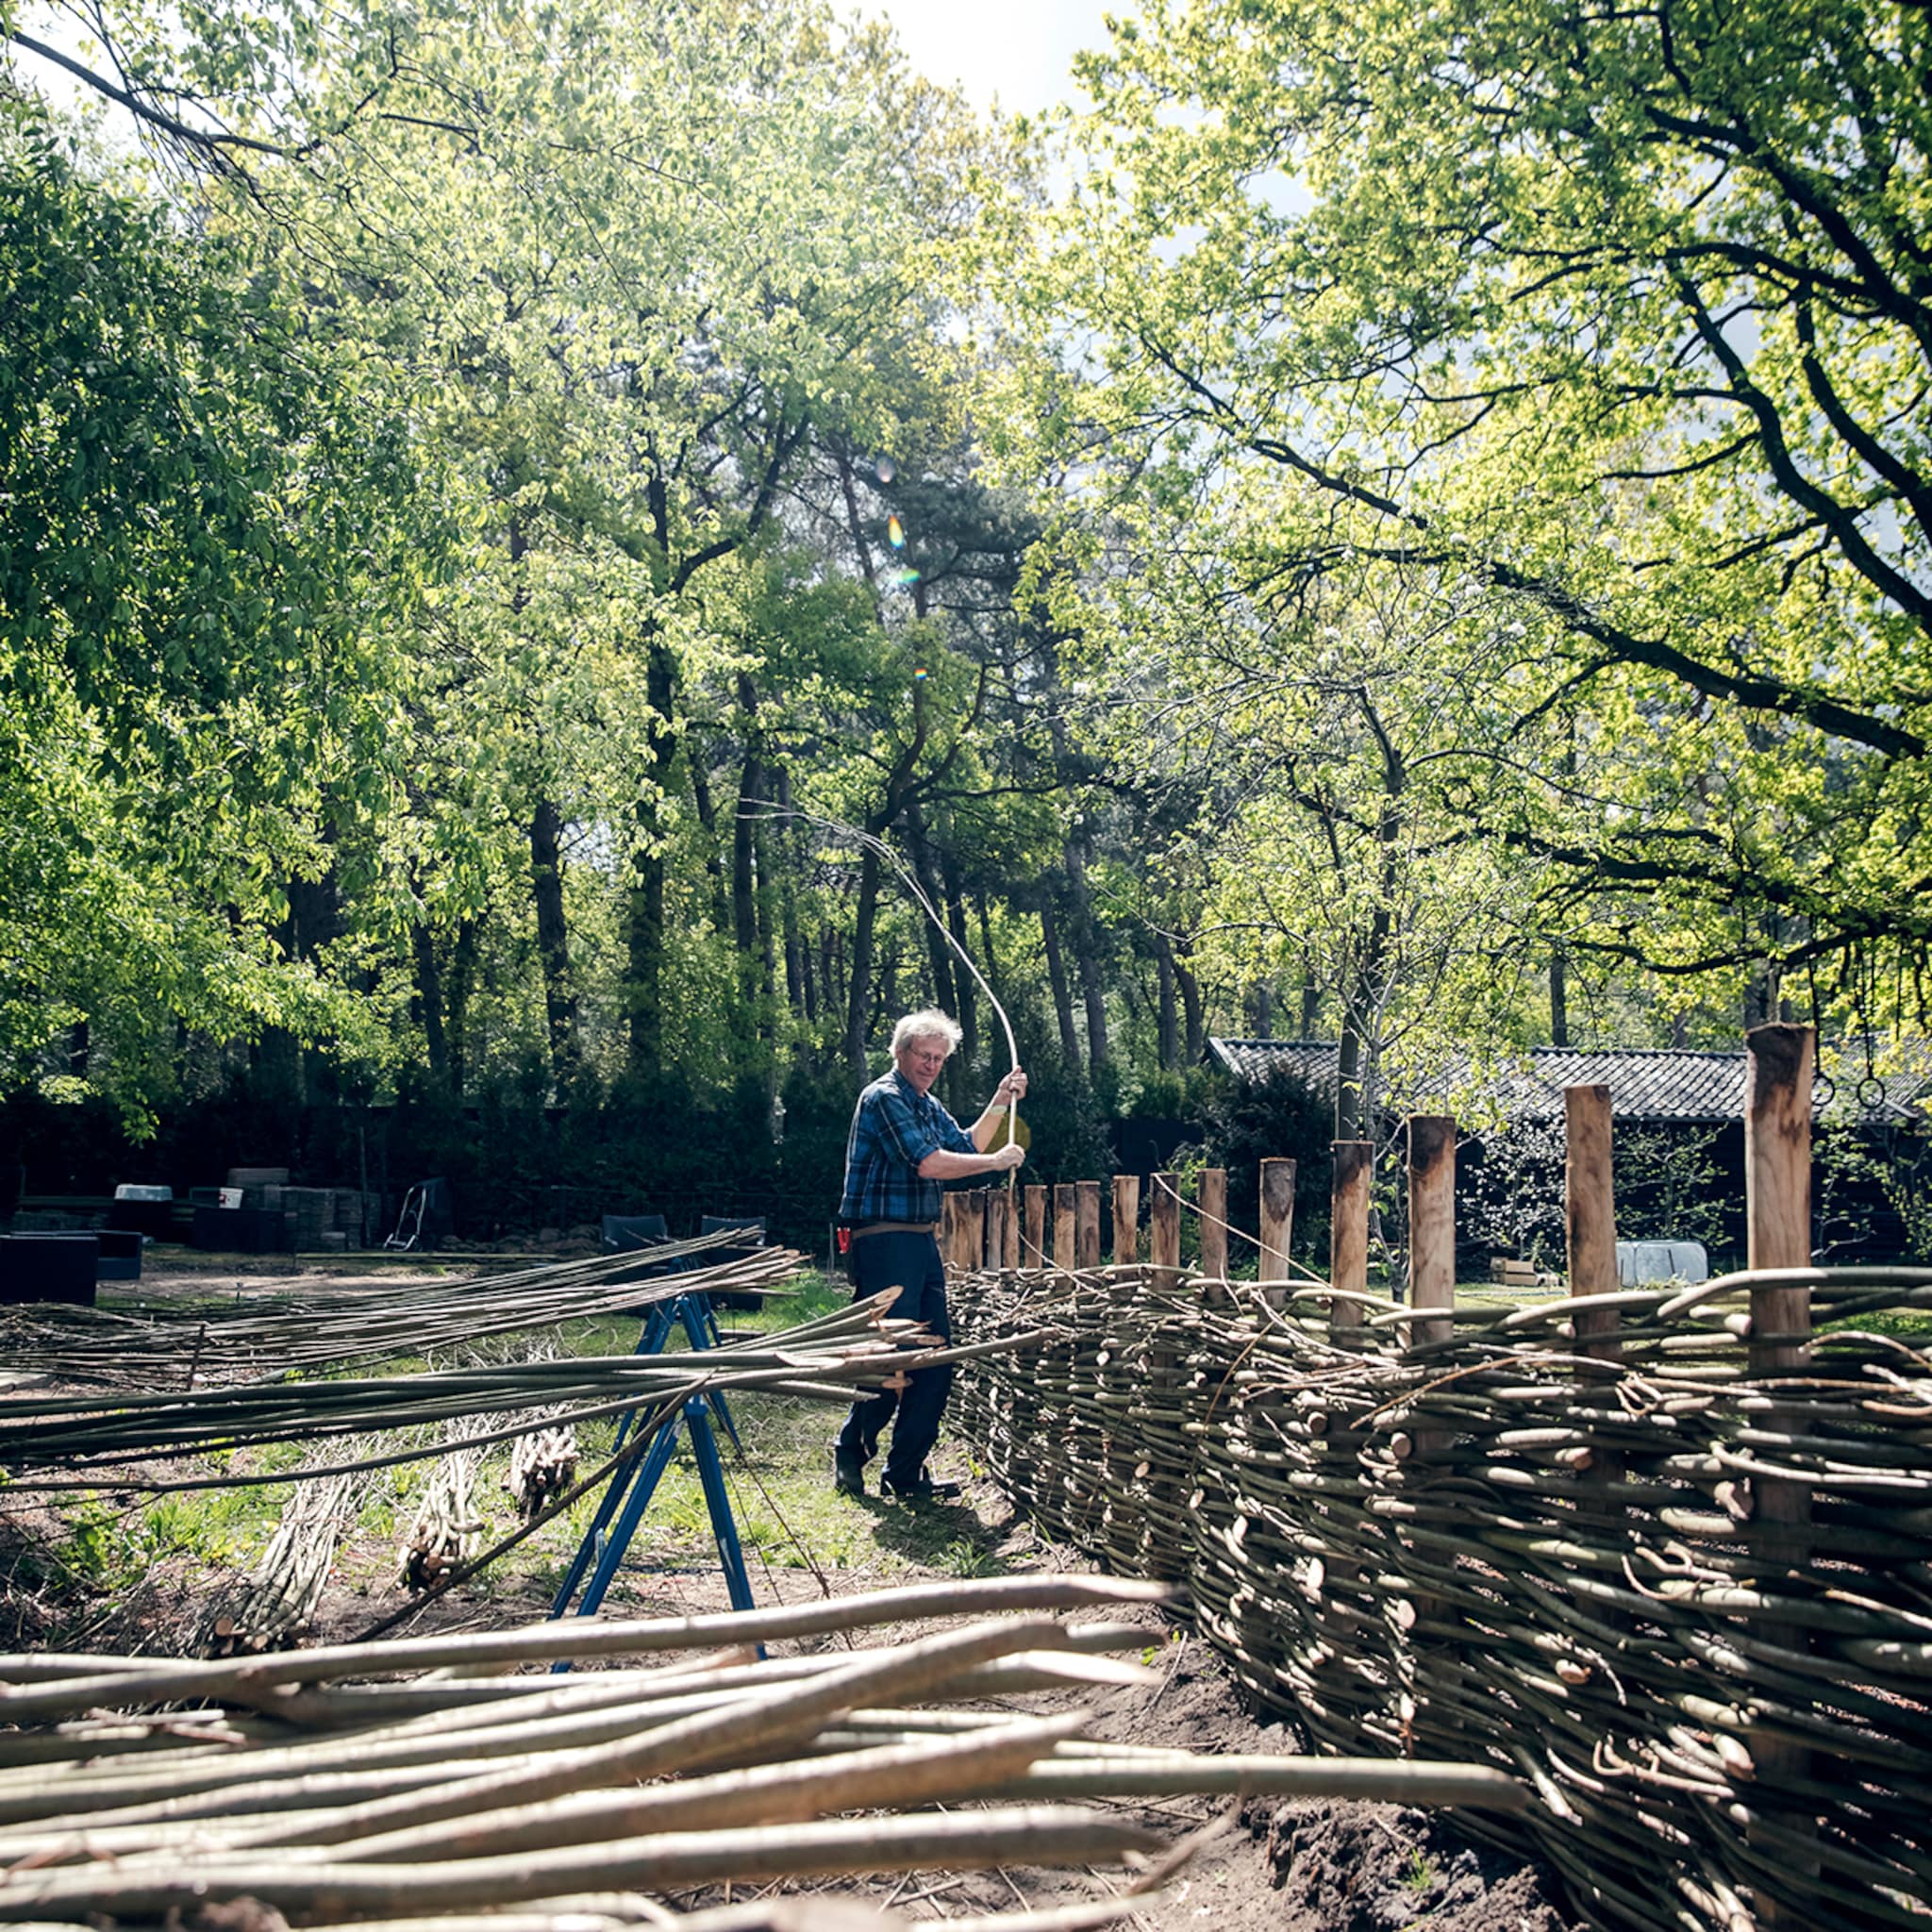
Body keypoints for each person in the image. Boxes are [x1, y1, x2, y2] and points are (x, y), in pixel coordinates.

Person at [833, 1009, 1027, 1500]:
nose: (932, 1065)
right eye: (925, 1055)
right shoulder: (884, 1098)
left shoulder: (925, 1103)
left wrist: (1001, 1101)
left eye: (940, 1058)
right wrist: (996, 1163)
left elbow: (962, 1142)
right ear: (900, 1053)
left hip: (919, 1240)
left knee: (936, 1358)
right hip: (882, 1241)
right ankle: (851, 1448)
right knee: (891, 1359)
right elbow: (929, 1164)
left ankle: (905, 1473)